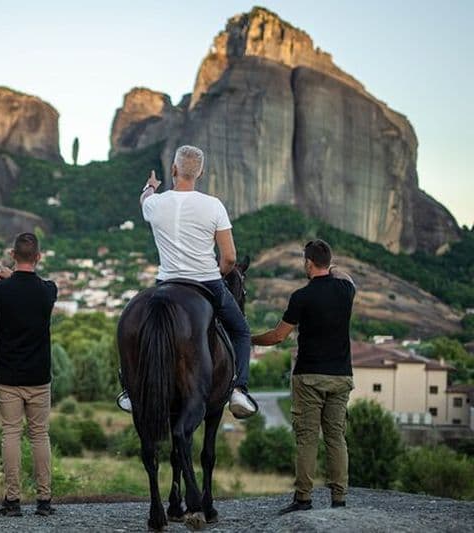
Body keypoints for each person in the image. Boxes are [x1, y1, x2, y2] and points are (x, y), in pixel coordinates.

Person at [116, 145, 257, 418]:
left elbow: (145, 198)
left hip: (166, 282)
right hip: (207, 283)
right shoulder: (213, 205)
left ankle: (130, 390)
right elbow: (229, 258)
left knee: (136, 324)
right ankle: (239, 389)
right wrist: (216, 272)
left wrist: (150, 186)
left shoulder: (155, 203)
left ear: (174, 169)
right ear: (200, 173)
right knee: (241, 330)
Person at [250, 239, 356, 514]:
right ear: (328, 263)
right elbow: (346, 276)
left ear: (308, 263)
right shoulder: (346, 290)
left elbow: (277, 336)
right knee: (336, 436)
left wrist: (248, 339)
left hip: (309, 376)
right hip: (341, 376)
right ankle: (339, 498)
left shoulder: (302, 297)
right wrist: (331, 267)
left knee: (307, 437)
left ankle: (304, 498)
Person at [0, 233, 57, 517]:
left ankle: (13, 501)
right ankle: (44, 501)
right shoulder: (48, 290)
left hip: (8, 375)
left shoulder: (0, 291)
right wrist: (12, 275)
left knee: (11, 435)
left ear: (12, 256)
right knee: (40, 435)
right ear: (38, 257)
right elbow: (33, 283)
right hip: (39, 375)